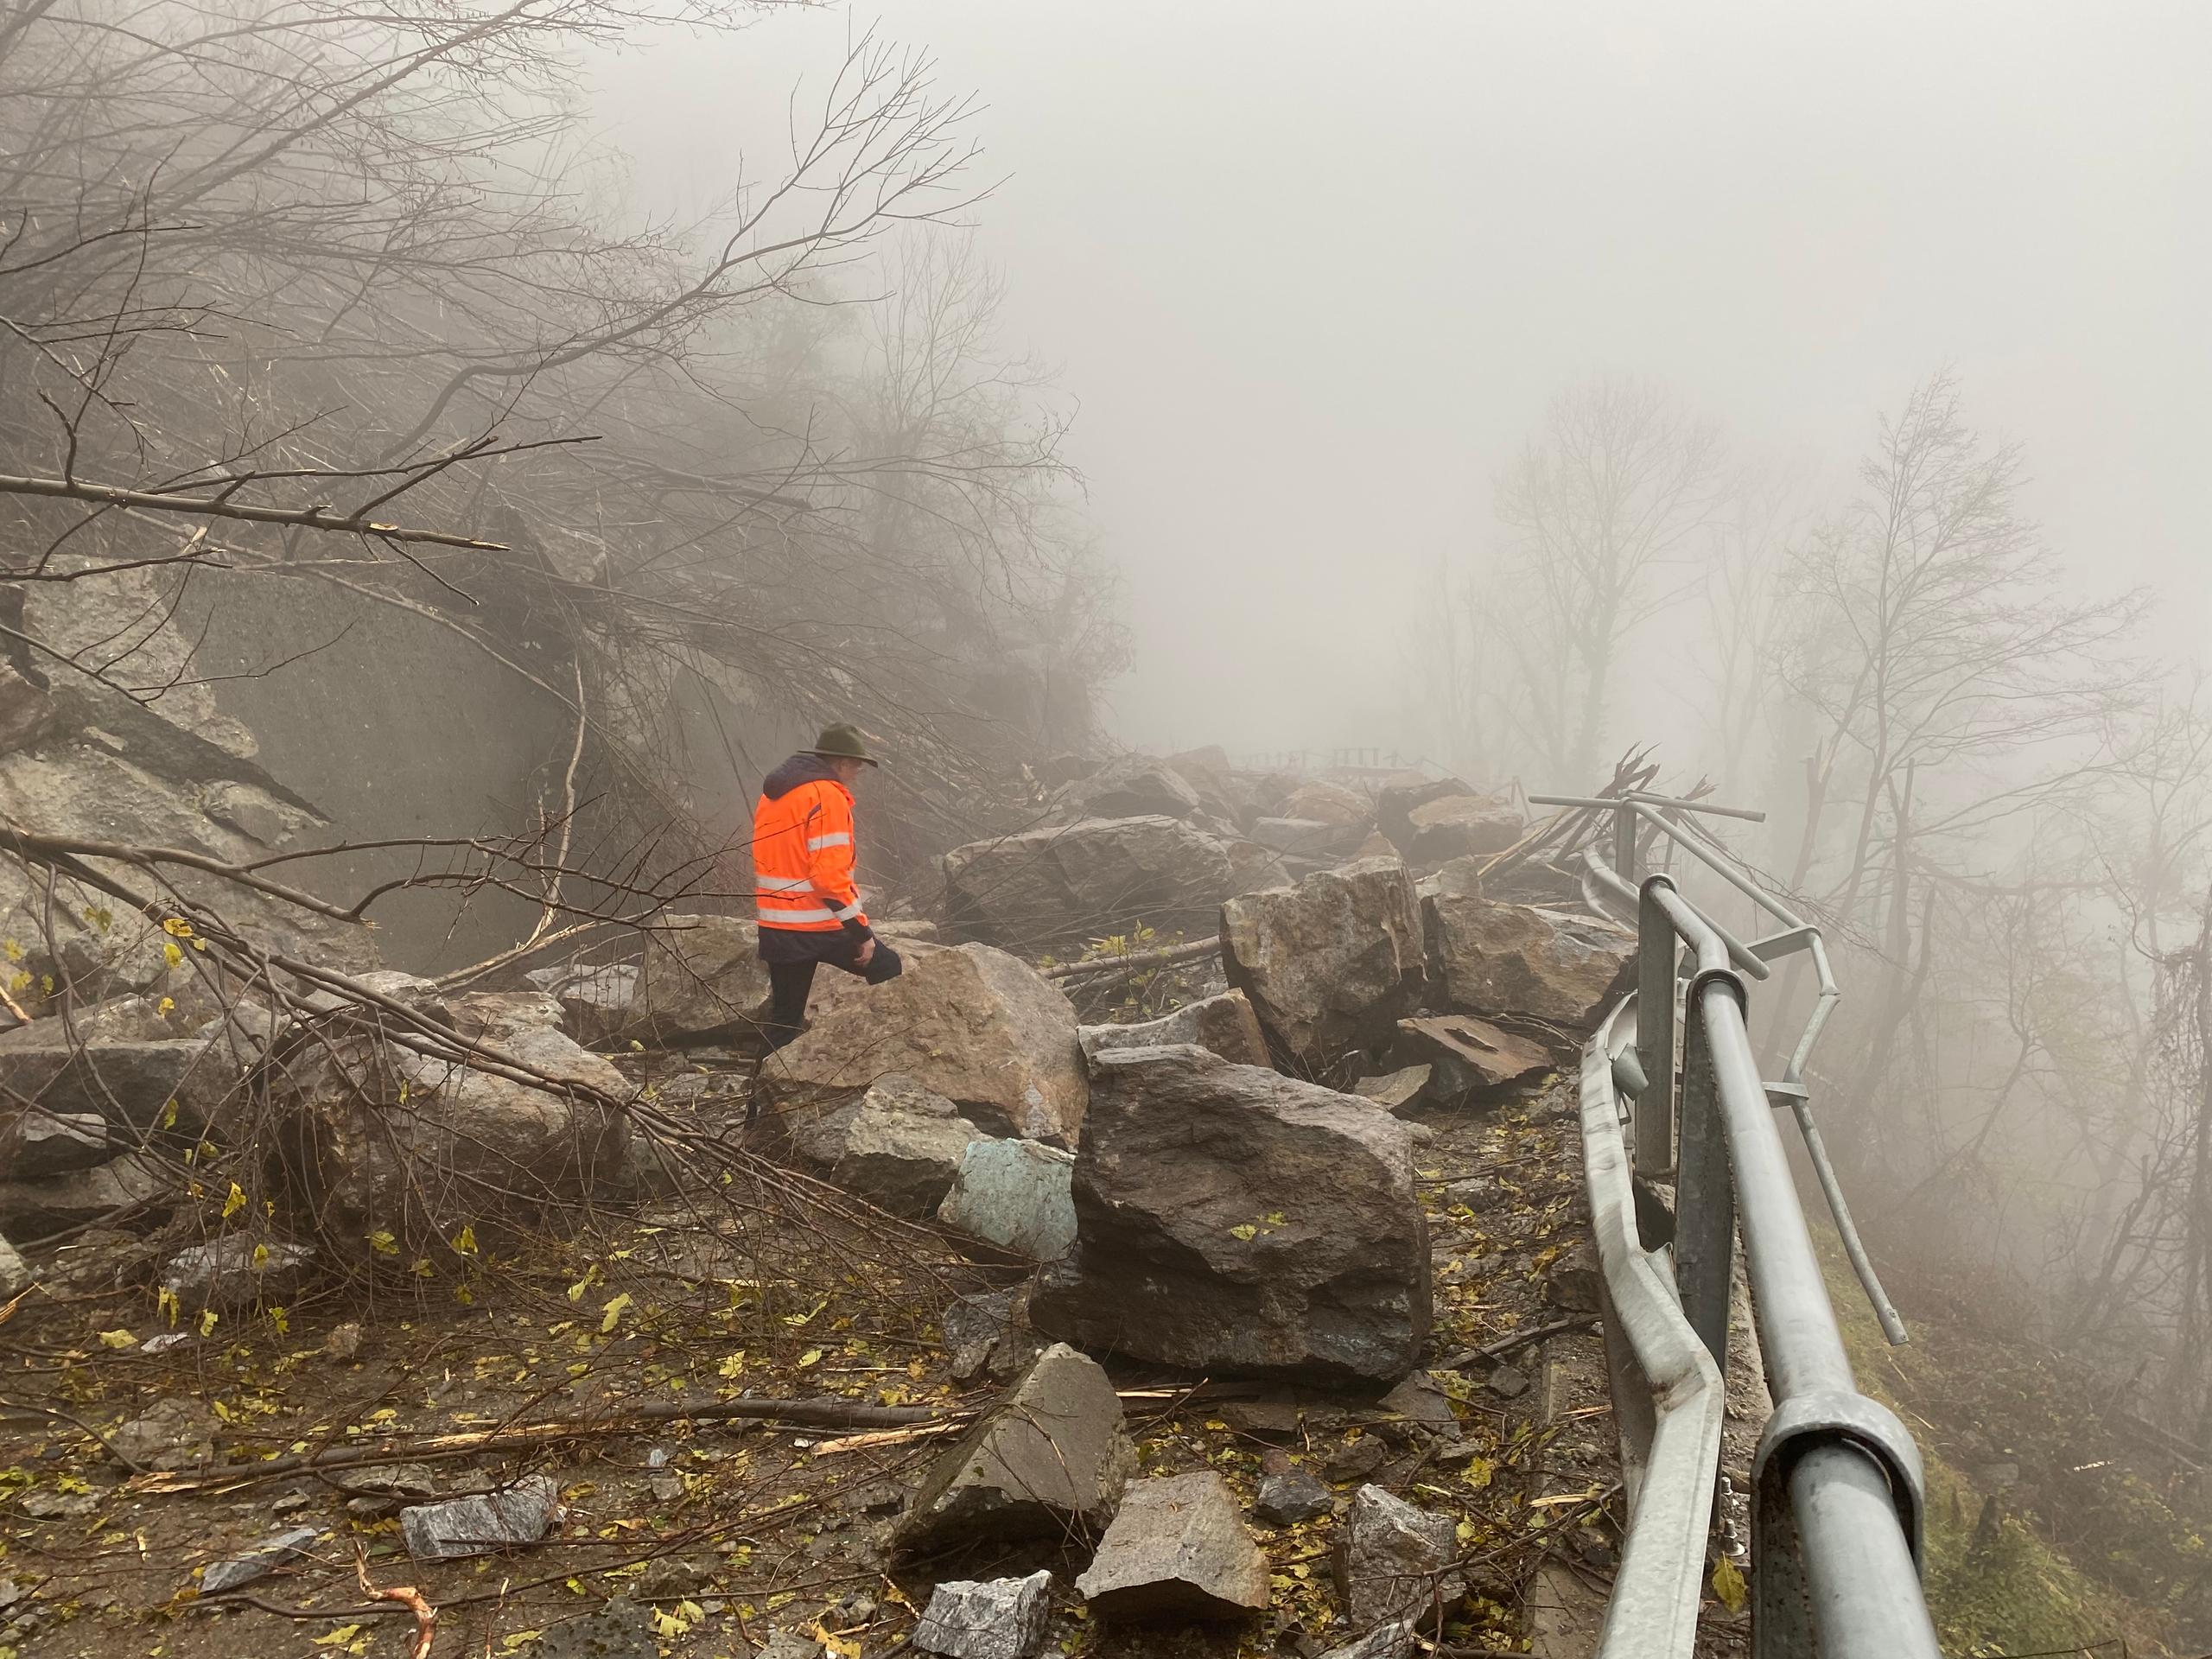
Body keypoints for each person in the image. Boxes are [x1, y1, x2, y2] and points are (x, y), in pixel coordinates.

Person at [750, 722, 903, 1053]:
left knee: (784, 1022)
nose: (859, 771)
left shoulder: (774, 794)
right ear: (840, 762)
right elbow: (828, 877)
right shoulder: (827, 796)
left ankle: (756, 1103)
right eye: (856, 764)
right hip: (817, 926)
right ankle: (889, 1058)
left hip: (777, 926)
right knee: (890, 969)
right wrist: (862, 934)